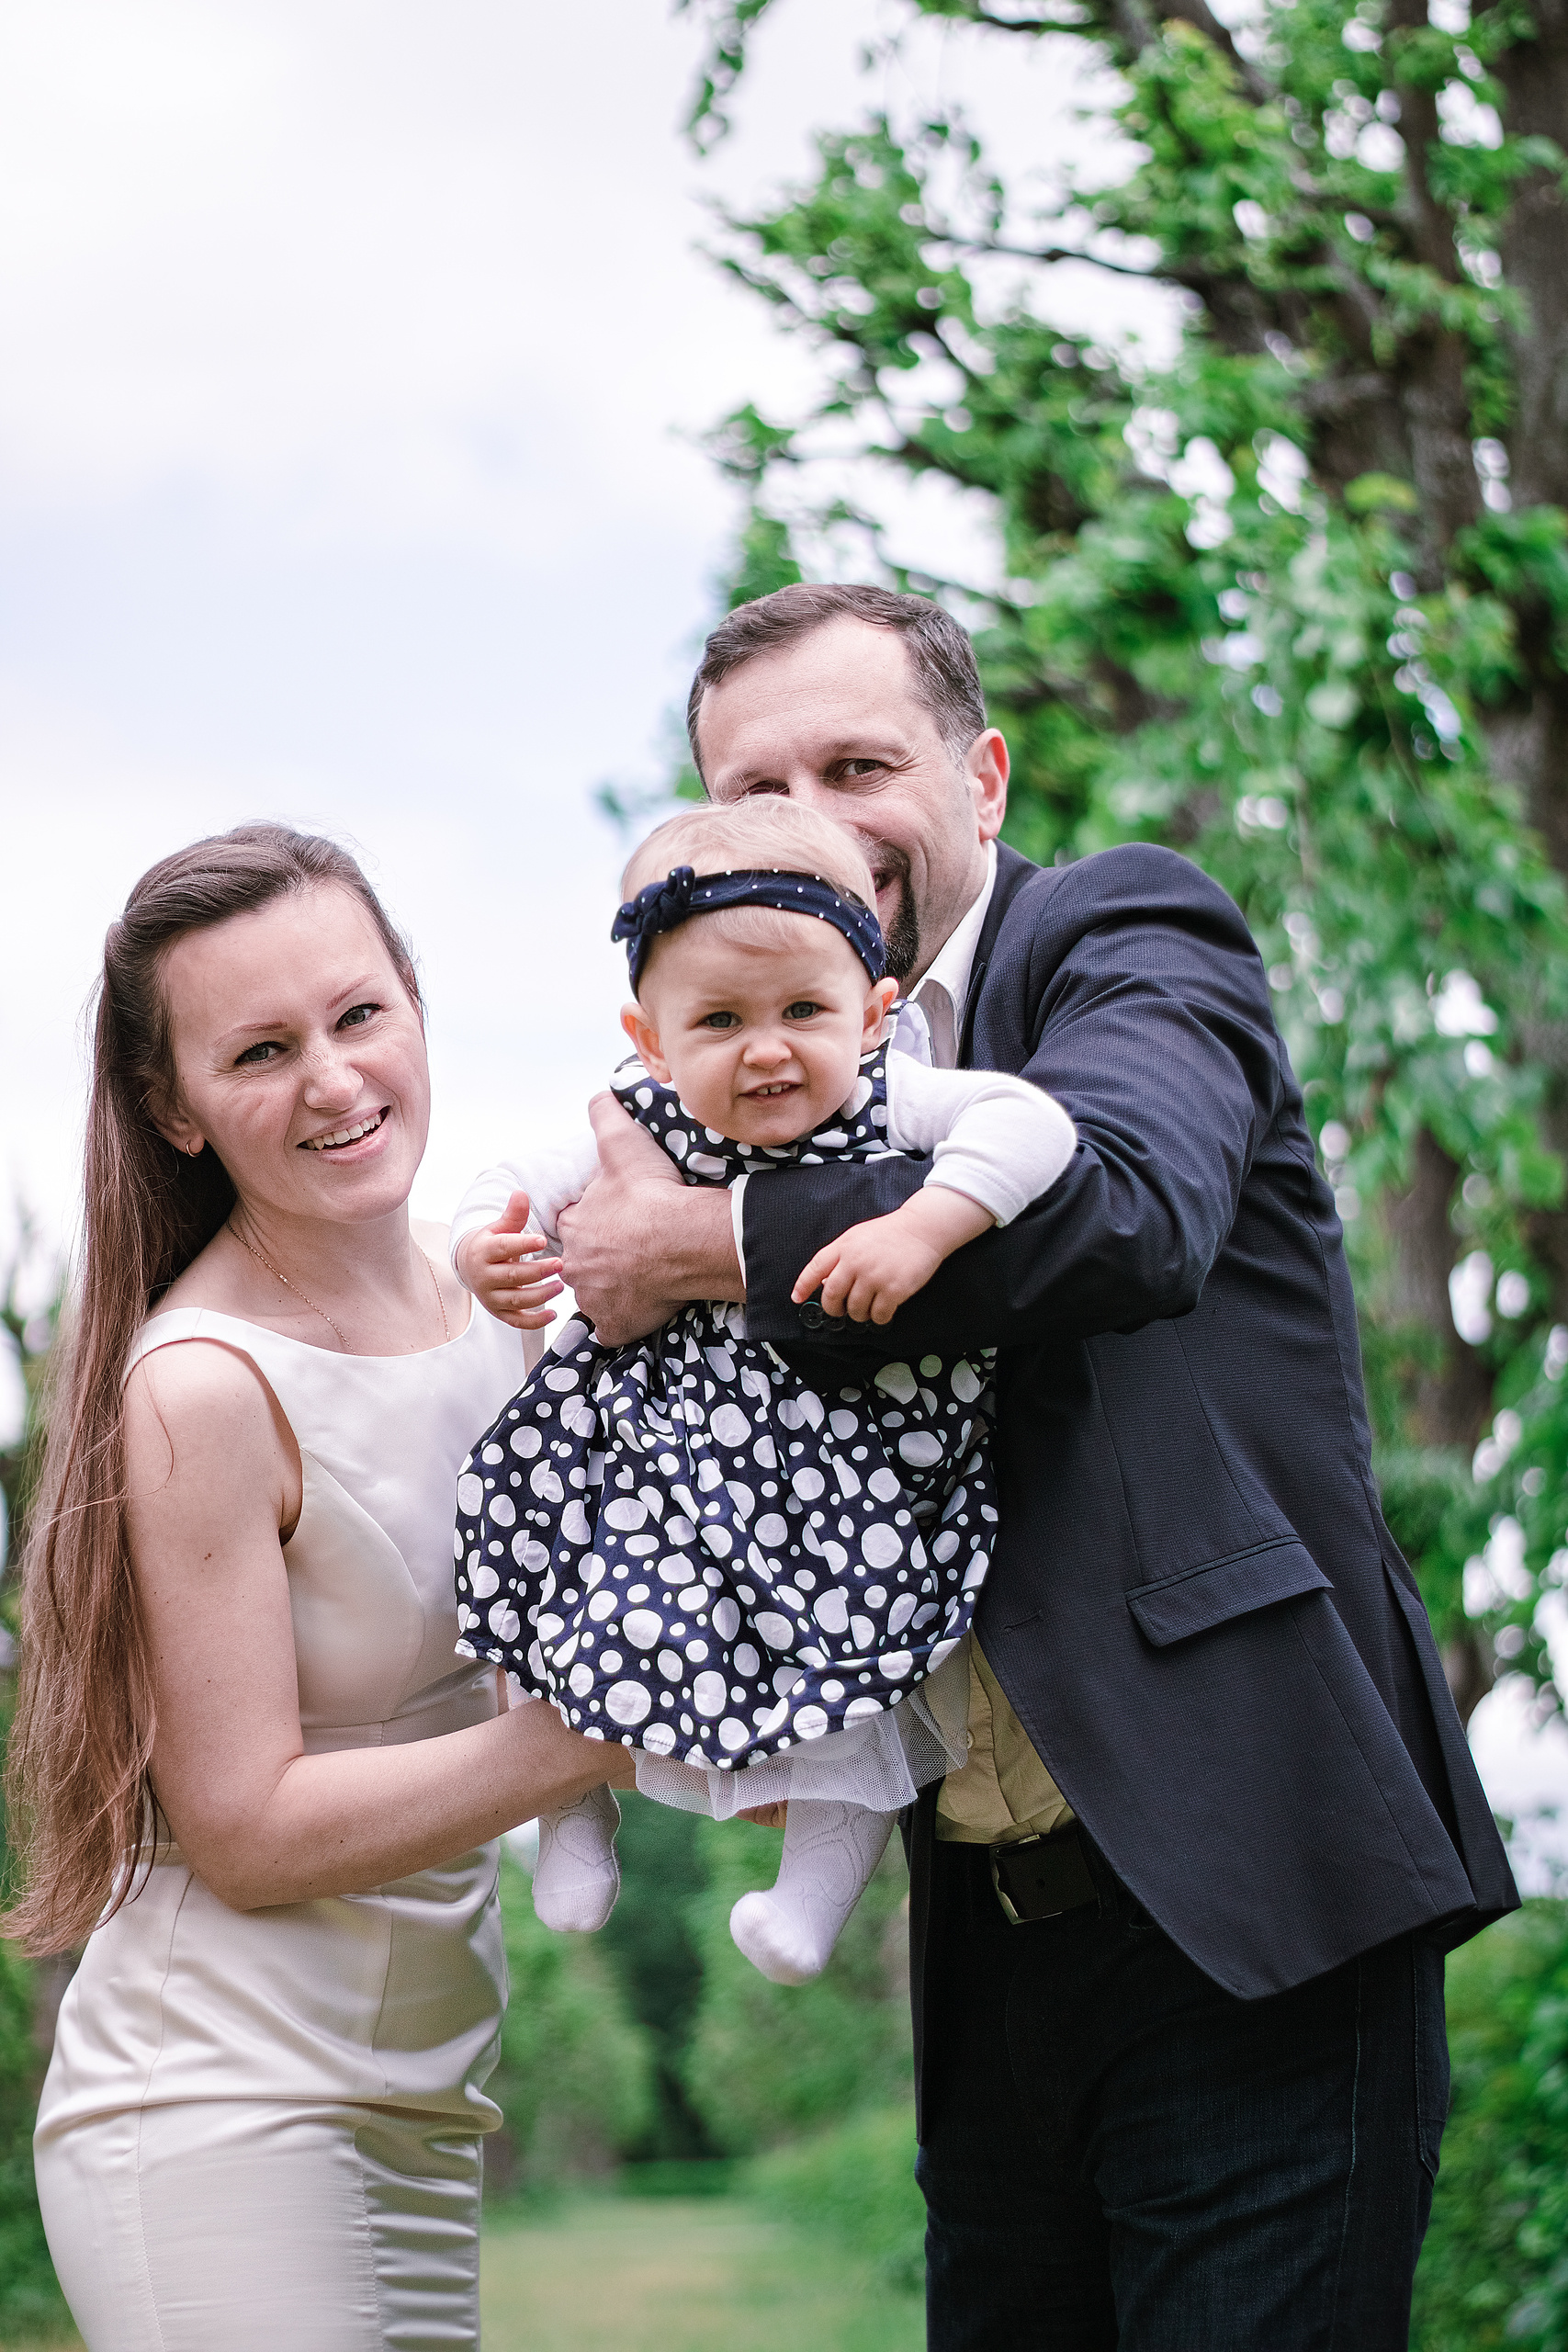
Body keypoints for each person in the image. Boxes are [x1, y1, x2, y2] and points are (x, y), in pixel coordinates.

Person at [548, 583, 1520, 2348]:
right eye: (760, 790)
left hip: (1244, 1890)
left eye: (860, 767)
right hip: (983, 1941)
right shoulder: (752, 1057)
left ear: (982, 779)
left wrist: (702, 1245)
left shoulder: (1123, 931)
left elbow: (1129, 1209)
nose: (812, 823)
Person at [6, 824, 634, 2352]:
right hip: (219, 2112)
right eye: (262, 1051)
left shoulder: (496, 1305)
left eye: (359, 1014)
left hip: (424, 2108)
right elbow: (247, 1829)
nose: (336, 1082)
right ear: (174, 1106)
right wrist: (605, 1734)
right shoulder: (204, 1387)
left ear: (415, 1000)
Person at [448, 796, 1077, 1985]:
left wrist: (929, 1224)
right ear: (651, 1038)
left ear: (874, 1011)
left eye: (804, 1011)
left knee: (853, 1648)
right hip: (651, 1446)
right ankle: (571, 1808)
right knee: (536, 1555)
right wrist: (486, 1243)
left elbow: (1032, 1126)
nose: (768, 1050)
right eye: (720, 1021)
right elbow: (508, 1179)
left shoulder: (893, 1094)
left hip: (841, 1466)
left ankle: (812, 1898)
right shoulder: (641, 1110)